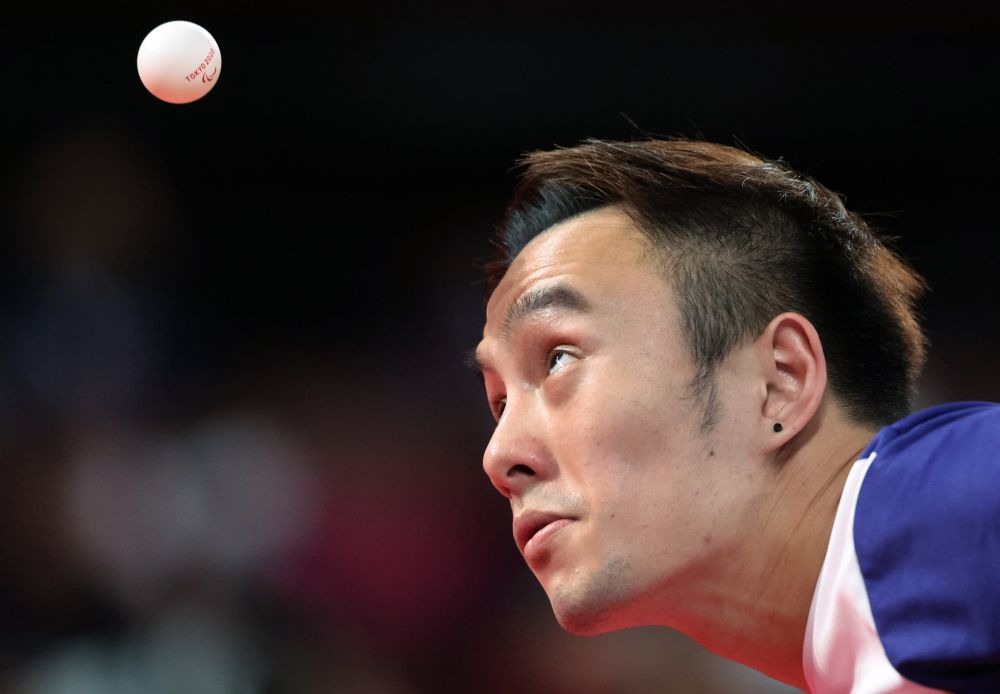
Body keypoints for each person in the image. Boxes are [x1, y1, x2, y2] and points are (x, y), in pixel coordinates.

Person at [471, 139, 999, 693]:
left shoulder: (961, 497)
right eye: (499, 403)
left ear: (779, 381)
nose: (498, 455)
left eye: (558, 358)